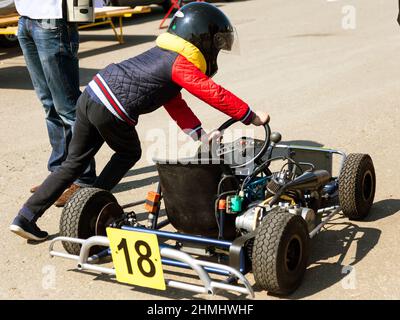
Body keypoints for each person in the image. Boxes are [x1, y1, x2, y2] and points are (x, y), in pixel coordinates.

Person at [9, 2, 270, 241]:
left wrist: (199, 135)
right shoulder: (180, 64)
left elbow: (174, 102)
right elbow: (213, 93)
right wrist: (250, 116)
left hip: (90, 95)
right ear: (202, 40)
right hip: (111, 108)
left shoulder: (163, 54)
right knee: (129, 152)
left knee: (72, 164)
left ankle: (25, 217)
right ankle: (96, 197)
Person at [14, 0, 96, 206]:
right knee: (48, 104)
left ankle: (83, 180)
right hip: (26, 18)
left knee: (67, 107)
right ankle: (59, 175)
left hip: (52, 19)